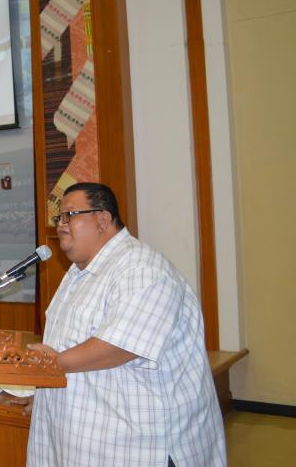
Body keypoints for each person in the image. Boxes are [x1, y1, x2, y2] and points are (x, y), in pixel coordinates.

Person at [25, 182, 225, 467]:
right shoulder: (78, 274)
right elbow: (71, 344)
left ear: (102, 219)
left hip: (140, 446)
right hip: (90, 438)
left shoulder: (141, 269)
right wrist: (47, 395)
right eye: (59, 218)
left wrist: (51, 364)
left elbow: (119, 347)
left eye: (69, 215)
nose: (60, 225)